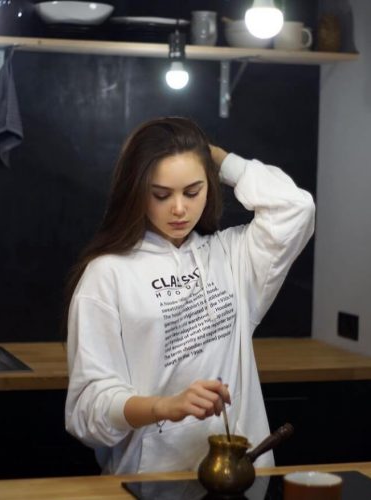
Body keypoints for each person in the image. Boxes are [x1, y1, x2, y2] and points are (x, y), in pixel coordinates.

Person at [64, 116, 315, 475]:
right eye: (161, 194)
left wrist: (216, 157)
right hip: (151, 481)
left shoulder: (233, 257)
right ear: (137, 191)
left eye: (193, 191)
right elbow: (87, 410)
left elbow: (296, 208)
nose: (179, 208)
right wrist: (164, 406)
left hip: (242, 477)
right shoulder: (107, 274)